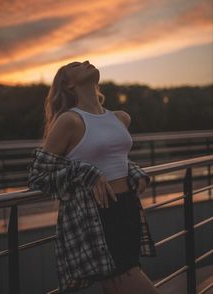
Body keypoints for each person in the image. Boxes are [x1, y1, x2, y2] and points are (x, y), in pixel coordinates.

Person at [41, 60, 160, 294]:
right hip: (96, 214)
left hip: (128, 207)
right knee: (127, 278)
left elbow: (113, 158)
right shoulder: (69, 120)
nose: (86, 61)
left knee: (118, 285)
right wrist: (88, 173)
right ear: (68, 84)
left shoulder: (120, 118)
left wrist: (134, 171)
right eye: (76, 65)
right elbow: (40, 174)